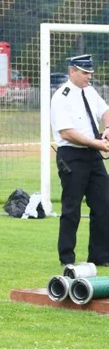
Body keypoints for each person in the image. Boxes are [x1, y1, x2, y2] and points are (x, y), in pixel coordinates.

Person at [50, 54, 109, 266]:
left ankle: (101, 256)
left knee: (104, 203)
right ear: (72, 71)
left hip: (93, 155)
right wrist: (98, 144)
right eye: (85, 73)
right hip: (72, 155)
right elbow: (67, 133)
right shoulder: (61, 97)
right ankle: (67, 258)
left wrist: (108, 128)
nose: (88, 77)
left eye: (90, 73)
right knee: (71, 208)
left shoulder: (90, 92)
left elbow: (105, 111)